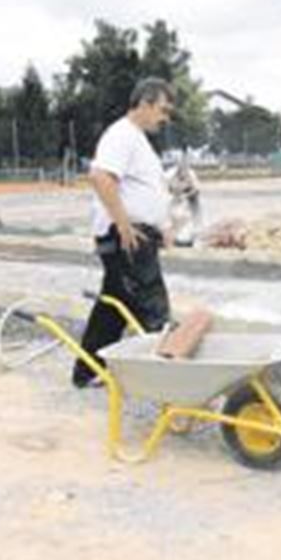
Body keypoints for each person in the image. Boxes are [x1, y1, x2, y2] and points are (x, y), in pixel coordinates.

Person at [72, 77, 176, 387]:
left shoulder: (137, 138)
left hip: (136, 235)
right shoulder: (121, 135)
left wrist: (162, 226)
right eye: (162, 110)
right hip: (126, 237)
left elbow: (146, 189)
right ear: (144, 104)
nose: (165, 118)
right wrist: (123, 224)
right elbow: (101, 176)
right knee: (152, 306)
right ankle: (170, 382)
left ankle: (88, 370)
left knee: (113, 307)